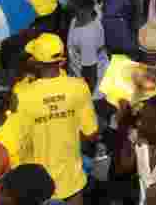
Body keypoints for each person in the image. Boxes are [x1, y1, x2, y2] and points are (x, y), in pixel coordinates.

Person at [13, 33, 98, 205]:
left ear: (35, 62)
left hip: (36, 187)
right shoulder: (79, 87)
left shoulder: (21, 94)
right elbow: (91, 134)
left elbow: (17, 141)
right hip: (72, 181)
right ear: (61, 59)